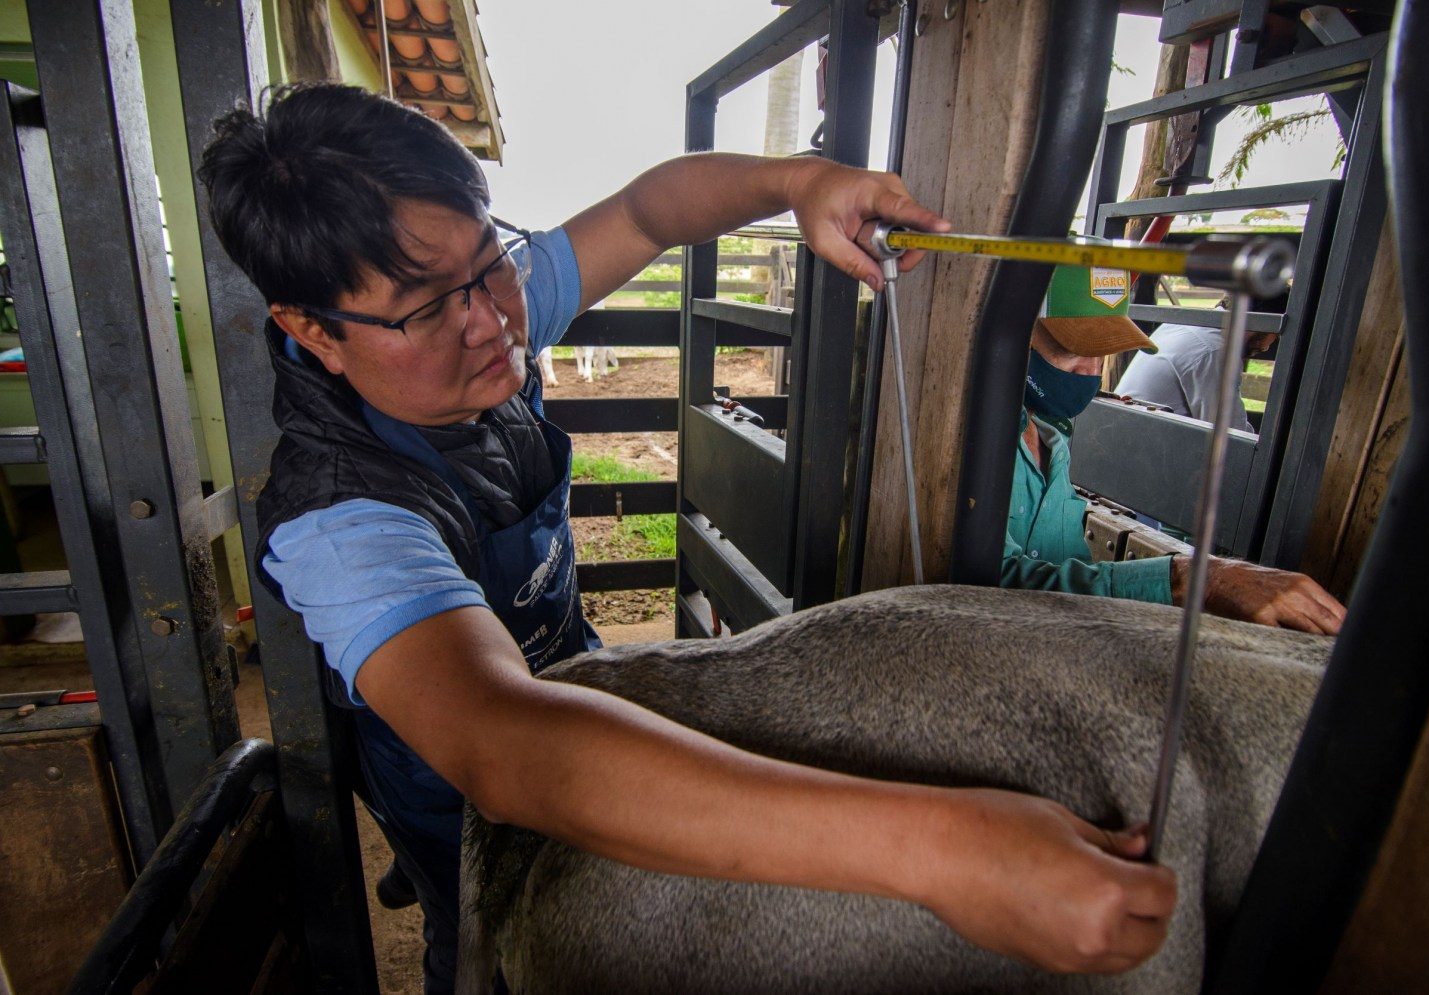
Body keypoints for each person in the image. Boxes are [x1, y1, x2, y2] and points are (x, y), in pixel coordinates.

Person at [199, 84, 1176, 992]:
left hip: (575, 683)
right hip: (457, 785)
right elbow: (504, 740)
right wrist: (944, 849)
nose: (496, 318)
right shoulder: (340, 517)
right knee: (487, 939)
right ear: (314, 330)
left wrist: (802, 181)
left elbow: (647, 212)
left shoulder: (477, 303)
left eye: (490, 260)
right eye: (427, 307)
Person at [1003, 267, 1345, 635]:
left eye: (1102, 356)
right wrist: (1191, 579)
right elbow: (992, 588)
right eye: (1073, 351)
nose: (1090, 373)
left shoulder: (1055, 434)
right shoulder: (974, 440)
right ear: (1013, 335)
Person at [1113, 309, 1281, 433]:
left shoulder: (1184, 323)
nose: (1267, 347)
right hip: (1147, 444)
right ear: (1267, 322)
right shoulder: (1215, 351)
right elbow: (1233, 436)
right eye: (1276, 335)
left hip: (1130, 429)